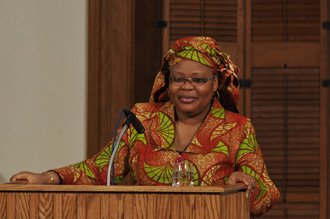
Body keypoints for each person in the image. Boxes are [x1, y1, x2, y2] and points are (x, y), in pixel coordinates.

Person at [11, 36, 279, 217]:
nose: (186, 87)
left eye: (197, 80)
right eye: (178, 79)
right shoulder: (142, 117)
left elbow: (268, 191)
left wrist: (247, 184)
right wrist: (47, 178)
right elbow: (102, 168)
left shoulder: (237, 127)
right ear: (167, 80)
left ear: (215, 82)